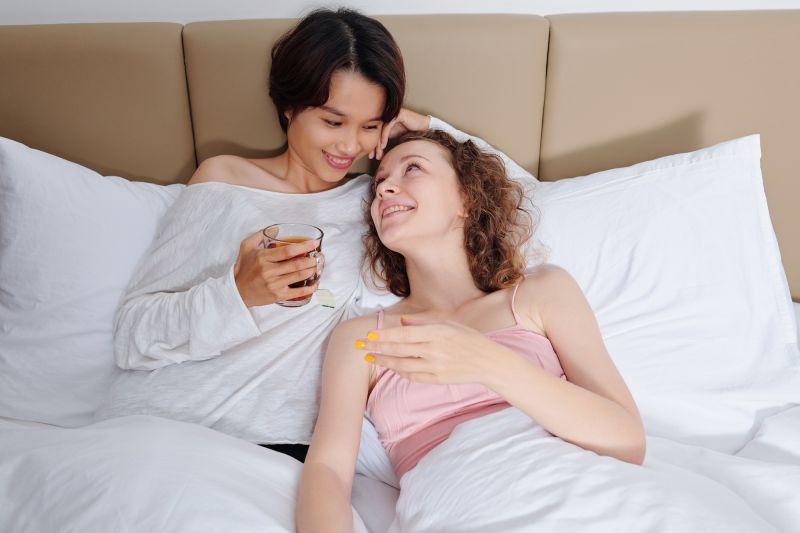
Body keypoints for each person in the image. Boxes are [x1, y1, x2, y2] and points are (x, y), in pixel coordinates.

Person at [94, 8, 535, 463]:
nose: (350, 147)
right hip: (152, 424)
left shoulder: (381, 203)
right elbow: (132, 338)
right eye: (332, 121)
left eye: (369, 126)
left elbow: (513, 194)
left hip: (271, 448)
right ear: (289, 106)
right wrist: (238, 293)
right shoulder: (225, 179)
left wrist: (421, 126)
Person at [295, 129, 646, 532]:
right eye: (379, 185)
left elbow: (627, 440)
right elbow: (327, 472)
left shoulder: (542, 293)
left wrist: (489, 364)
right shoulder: (361, 338)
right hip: (461, 509)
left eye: (413, 169)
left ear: (466, 198)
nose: (386, 188)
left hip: (582, 497)